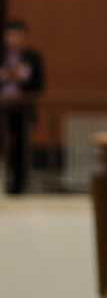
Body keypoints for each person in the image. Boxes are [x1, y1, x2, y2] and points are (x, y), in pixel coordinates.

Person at [0, 19, 45, 194]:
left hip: (22, 109)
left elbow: (39, 84)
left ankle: (19, 186)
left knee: (20, 147)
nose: (13, 39)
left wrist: (22, 76)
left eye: (17, 35)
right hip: (2, 107)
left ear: (24, 36)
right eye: (10, 34)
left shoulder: (33, 57)